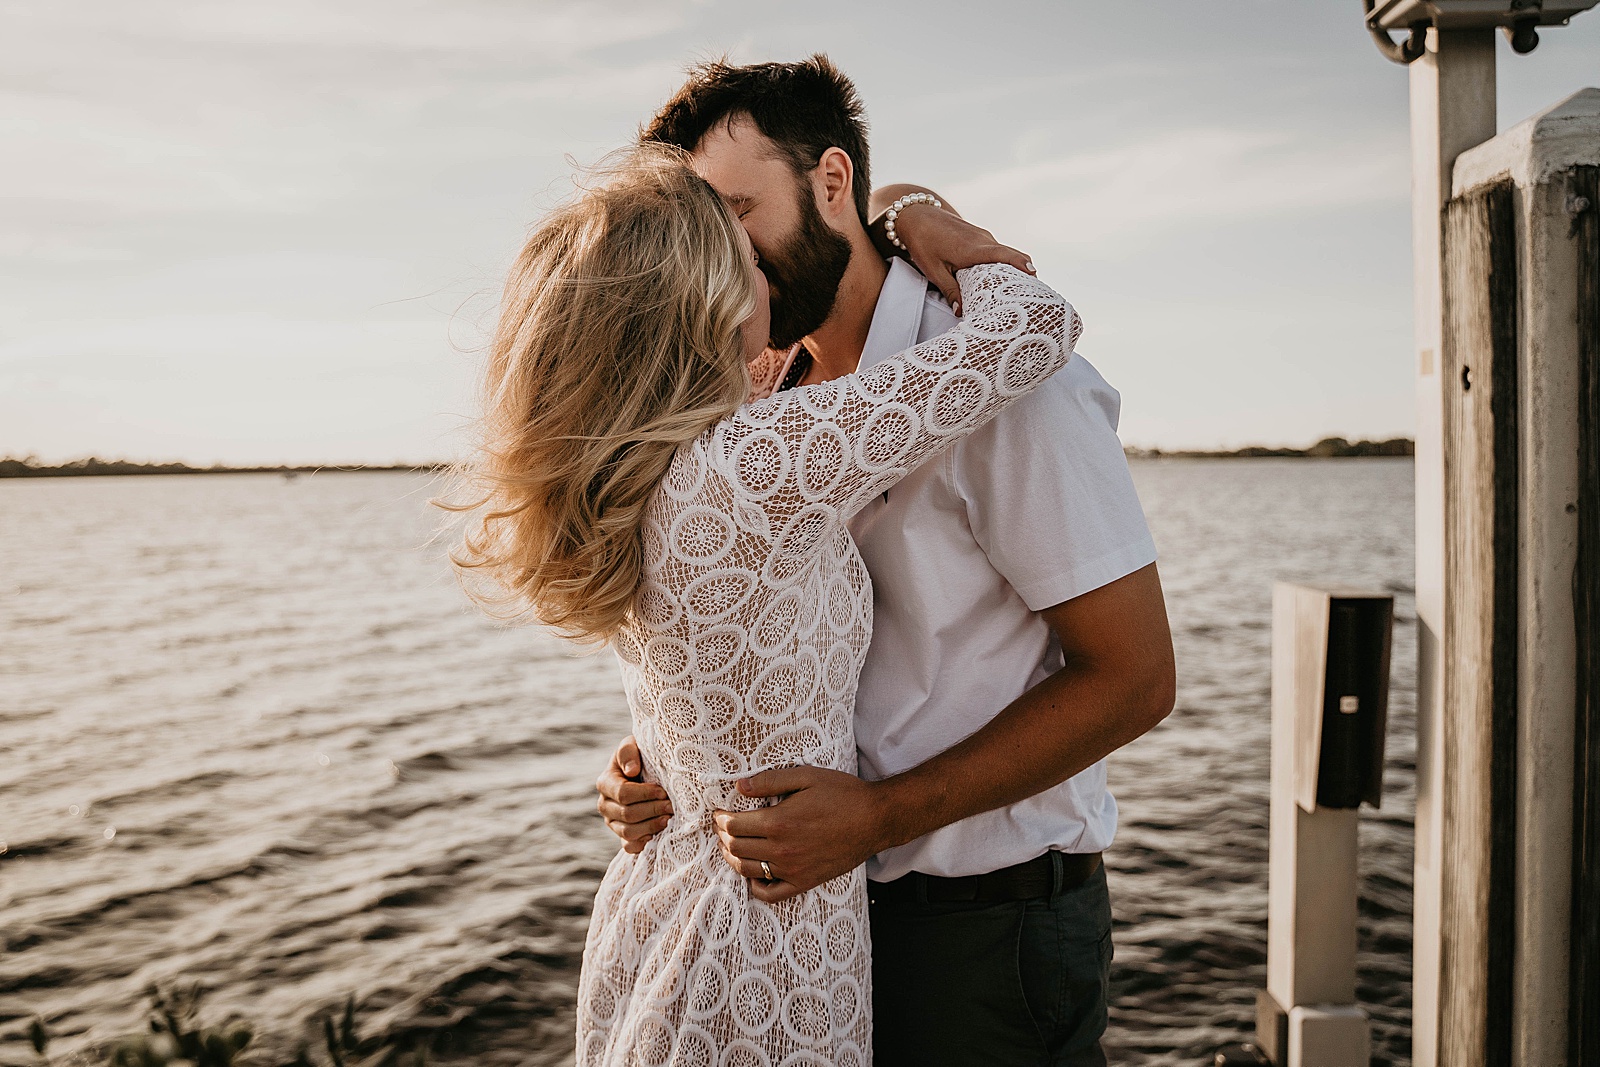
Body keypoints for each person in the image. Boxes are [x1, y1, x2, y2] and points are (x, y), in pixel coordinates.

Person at [596, 56, 1176, 1066]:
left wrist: (880, 816)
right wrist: (665, 760)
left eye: (741, 211)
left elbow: (1135, 678)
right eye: (702, 228)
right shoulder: (758, 388)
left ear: (832, 182)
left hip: (984, 927)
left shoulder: (1013, 387)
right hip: (819, 915)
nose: (723, 255)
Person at [448, 144, 1079, 1065]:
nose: (768, 270)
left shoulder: (639, 462)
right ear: (700, 299)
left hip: (661, 897)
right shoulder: (750, 463)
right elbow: (1036, 329)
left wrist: (897, 204)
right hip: (761, 929)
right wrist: (936, 226)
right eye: (744, 256)